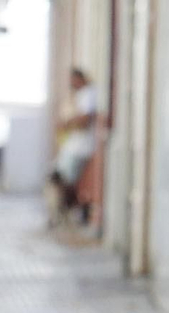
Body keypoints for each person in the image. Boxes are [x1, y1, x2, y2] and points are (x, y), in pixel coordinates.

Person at [50, 68, 99, 218]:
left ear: (79, 78)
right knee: (58, 177)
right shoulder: (82, 95)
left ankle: (68, 210)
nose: (71, 84)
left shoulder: (89, 93)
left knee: (65, 179)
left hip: (81, 147)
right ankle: (64, 210)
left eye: (73, 80)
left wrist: (67, 123)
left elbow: (85, 120)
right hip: (75, 146)